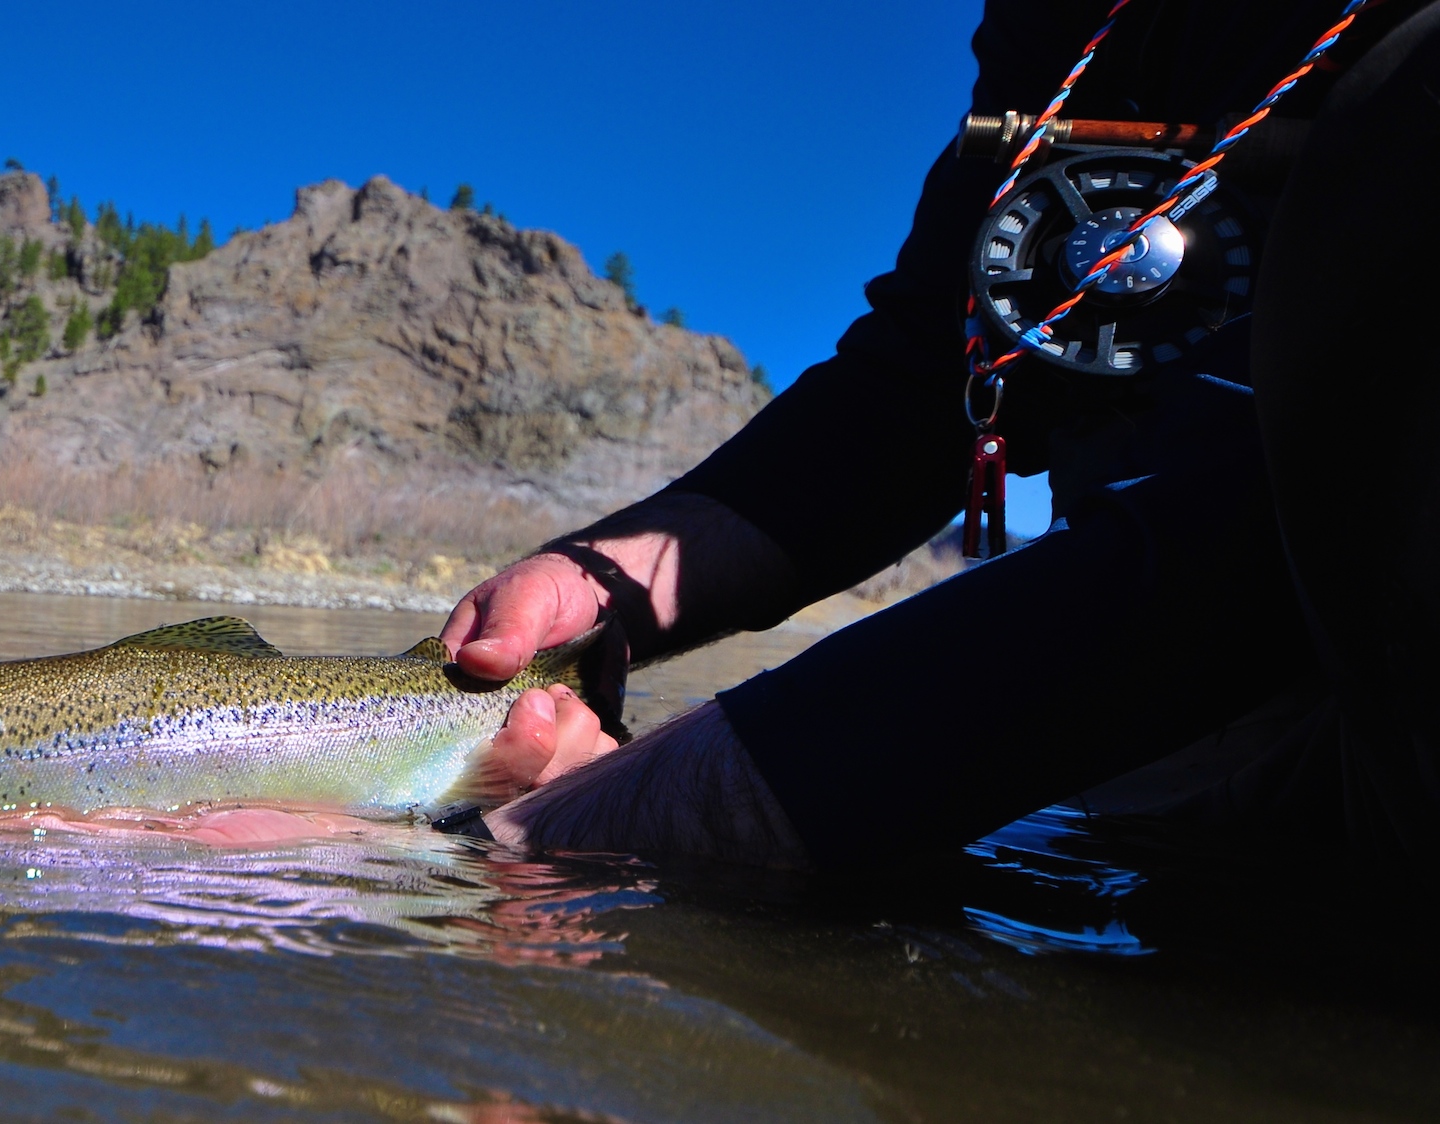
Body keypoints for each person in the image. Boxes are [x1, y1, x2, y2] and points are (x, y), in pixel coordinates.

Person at [445, 0, 1440, 869]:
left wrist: (718, 785)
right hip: (1138, 749)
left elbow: (1329, 488)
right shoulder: (1067, 27)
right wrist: (583, 582)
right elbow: (922, 380)